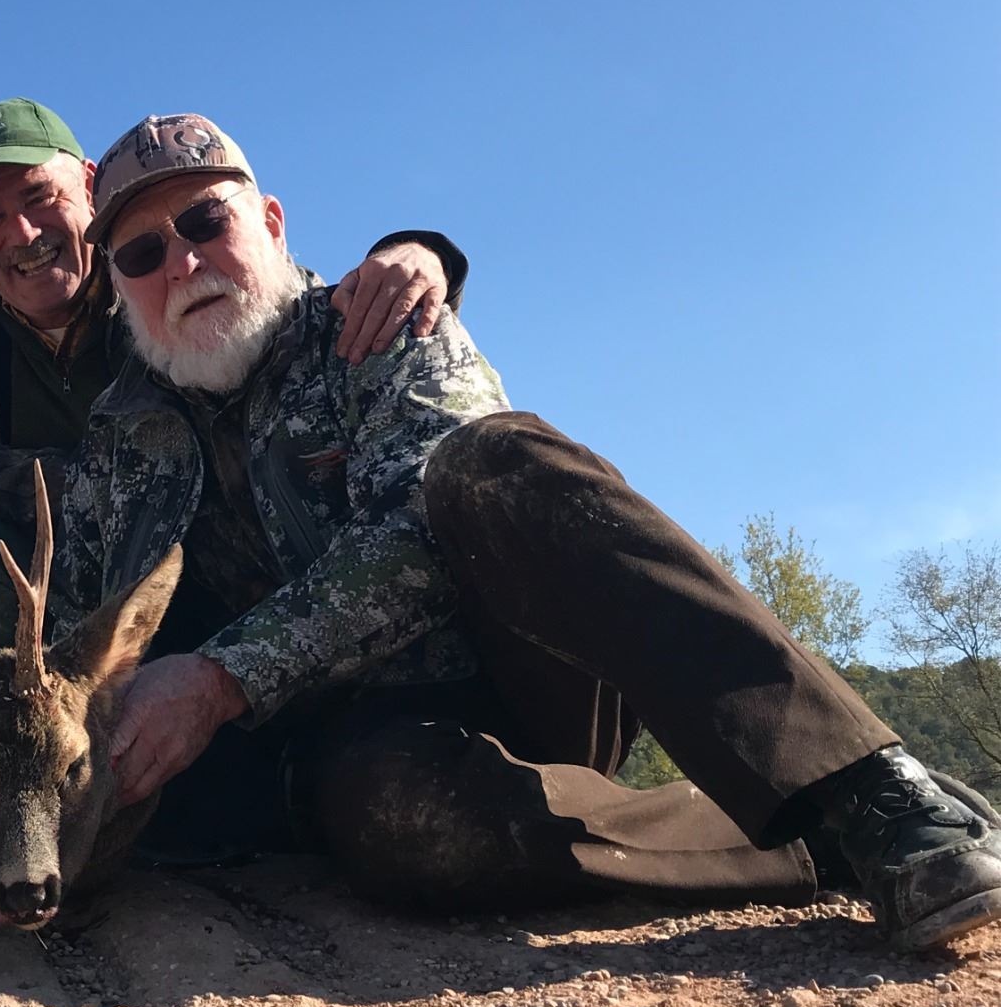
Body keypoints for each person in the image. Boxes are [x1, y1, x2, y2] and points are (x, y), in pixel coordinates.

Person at [56, 111, 1001, 952]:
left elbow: (420, 540)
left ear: (269, 223)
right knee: (395, 821)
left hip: (525, 668)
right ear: (119, 287)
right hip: (364, 744)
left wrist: (220, 678)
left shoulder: (381, 317)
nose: (181, 264)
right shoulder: (114, 442)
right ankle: (808, 841)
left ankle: (868, 792)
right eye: (141, 254)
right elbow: (74, 639)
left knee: (488, 462)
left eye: (205, 222)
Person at [0, 97, 468, 657]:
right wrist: (109, 483)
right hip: (100, 563)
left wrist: (417, 257)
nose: (24, 233)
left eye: (40, 196)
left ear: (88, 184)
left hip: (234, 558)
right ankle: (27, 718)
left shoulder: (163, 275)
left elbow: (273, 309)